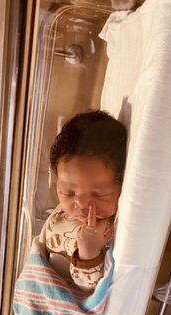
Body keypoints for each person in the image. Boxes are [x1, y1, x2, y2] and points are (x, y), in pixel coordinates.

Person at [45, 109, 127, 293]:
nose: (81, 204)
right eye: (67, 192)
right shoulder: (62, 214)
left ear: (122, 188)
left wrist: (88, 253)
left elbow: (92, 292)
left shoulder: (111, 234)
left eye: (99, 195)